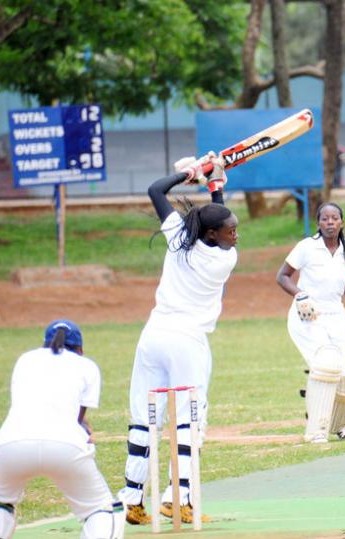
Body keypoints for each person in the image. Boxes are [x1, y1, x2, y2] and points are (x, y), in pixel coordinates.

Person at [118, 152, 238, 525]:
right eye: (232, 229)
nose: (236, 234)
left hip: (153, 335)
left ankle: (131, 499)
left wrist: (192, 176)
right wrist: (212, 184)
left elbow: (156, 190)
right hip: (188, 341)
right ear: (214, 235)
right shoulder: (224, 259)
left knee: (143, 419)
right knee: (188, 422)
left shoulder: (177, 237)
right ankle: (176, 498)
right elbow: (219, 226)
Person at [0, 320, 125, 539]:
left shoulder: (25, 359)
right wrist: (83, 429)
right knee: (101, 509)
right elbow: (78, 419)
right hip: (66, 446)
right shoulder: (87, 366)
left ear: (46, 343)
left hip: (12, 443)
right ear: (80, 349)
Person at [276, 202, 345, 444]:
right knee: (325, 366)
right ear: (318, 223)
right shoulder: (307, 247)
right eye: (325, 219)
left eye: (335, 218)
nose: (330, 222)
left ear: (342, 222)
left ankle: (339, 425)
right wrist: (300, 294)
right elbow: (282, 276)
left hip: (336, 314)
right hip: (308, 314)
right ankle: (316, 430)